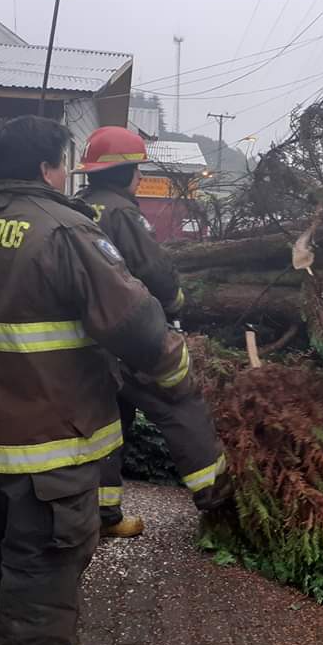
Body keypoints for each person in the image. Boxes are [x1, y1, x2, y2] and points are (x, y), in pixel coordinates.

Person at [0, 116, 186, 645]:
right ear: (48, 168)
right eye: (62, 163)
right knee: (46, 559)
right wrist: (178, 371)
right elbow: (139, 327)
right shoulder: (67, 233)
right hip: (51, 438)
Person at [73, 125, 231, 537]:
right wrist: (177, 302)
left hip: (89, 343)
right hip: (130, 335)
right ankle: (219, 498)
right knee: (180, 401)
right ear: (126, 172)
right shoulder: (123, 212)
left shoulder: (75, 209)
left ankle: (104, 515)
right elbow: (154, 271)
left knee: (109, 420)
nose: (141, 177)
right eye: (138, 169)